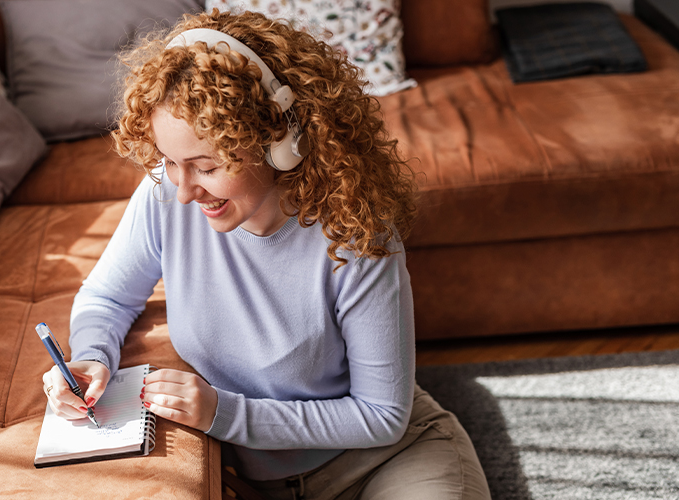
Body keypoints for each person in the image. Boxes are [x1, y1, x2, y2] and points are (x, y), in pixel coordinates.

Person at [42, 8, 491, 499]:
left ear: (280, 142)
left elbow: (381, 417)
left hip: (383, 461)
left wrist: (223, 413)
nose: (186, 190)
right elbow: (106, 298)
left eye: (207, 166)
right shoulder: (165, 198)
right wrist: (90, 359)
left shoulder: (358, 236)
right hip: (251, 480)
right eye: (170, 162)